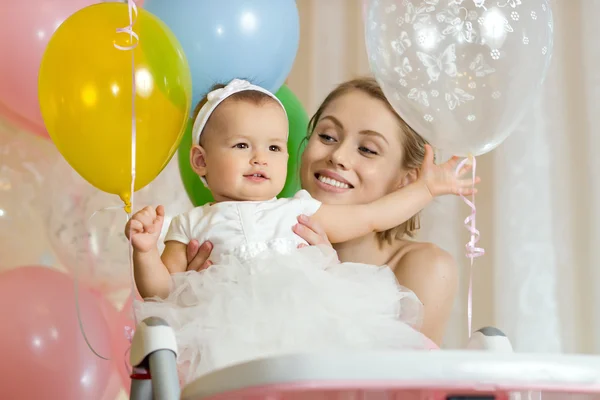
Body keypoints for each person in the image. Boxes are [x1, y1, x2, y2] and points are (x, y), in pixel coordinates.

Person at [127, 78, 477, 382]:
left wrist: (427, 189)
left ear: (406, 179)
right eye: (326, 135)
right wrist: (187, 288)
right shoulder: (195, 227)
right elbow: (161, 291)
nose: (338, 155)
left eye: (368, 149)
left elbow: (371, 216)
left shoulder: (416, 267)